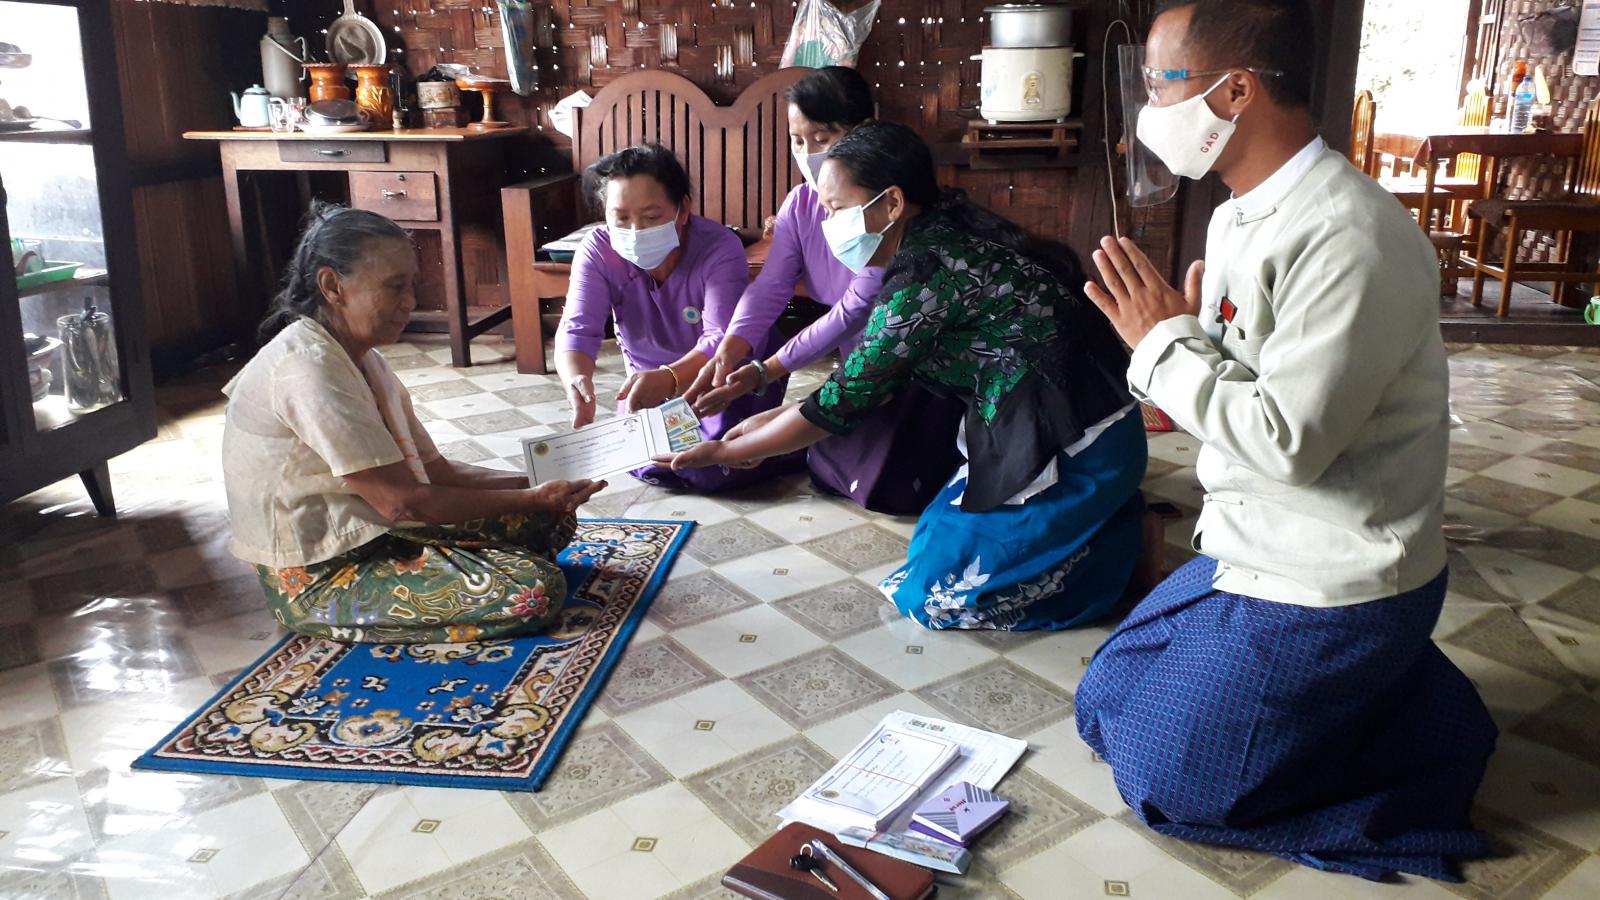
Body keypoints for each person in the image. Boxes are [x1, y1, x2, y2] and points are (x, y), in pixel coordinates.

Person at [1073, 0, 1496, 882]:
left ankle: (1422, 735)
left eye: (1160, 83)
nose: (1149, 108)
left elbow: (1286, 442)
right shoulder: (1241, 212)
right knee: (1104, 703)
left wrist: (1163, 344)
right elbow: (1239, 381)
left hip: (1333, 570)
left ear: (1235, 92)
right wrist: (1186, 341)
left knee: (1169, 783)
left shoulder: (1349, 235)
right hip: (1251, 541)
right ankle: (1365, 694)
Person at [658, 122, 1146, 631]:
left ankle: (1117, 558)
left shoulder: (923, 278)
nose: (827, 225)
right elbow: (861, 377)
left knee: (932, 597)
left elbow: (842, 401)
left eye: (837, 209)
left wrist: (728, 452)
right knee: (932, 540)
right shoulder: (936, 236)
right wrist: (763, 419)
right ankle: (1109, 526)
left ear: (891, 203)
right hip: (1048, 422)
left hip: (1074, 441)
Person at [222, 205, 604, 644]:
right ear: (332, 286)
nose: (410, 302)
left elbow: (436, 471)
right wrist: (533, 497)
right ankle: (327, 606)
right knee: (535, 590)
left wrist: (537, 484)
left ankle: (455, 559)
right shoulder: (307, 369)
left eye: (411, 286)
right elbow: (402, 503)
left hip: (377, 528)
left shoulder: (363, 359)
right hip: (317, 571)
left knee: (550, 519)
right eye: (394, 286)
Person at [684, 67, 964, 514]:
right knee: (829, 441)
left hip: (908, 370)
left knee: (884, 479)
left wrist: (764, 373)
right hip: (861, 368)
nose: (809, 154)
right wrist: (730, 348)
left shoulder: (896, 224)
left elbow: (853, 310)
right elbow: (770, 287)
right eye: (798, 141)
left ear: (864, 132)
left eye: (822, 138)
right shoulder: (801, 205)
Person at [555, 143, 797, 491]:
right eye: (620, 218)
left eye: (651, 217)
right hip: (648, 385)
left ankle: (790, 442)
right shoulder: (597, 250)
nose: (635, 231)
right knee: (647, 464)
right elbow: (577, 329)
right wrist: (576, 380)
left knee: (712, 465)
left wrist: (669, 378)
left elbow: (722, 339)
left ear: (682, 210)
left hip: (724, 373)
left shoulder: (718, 247)